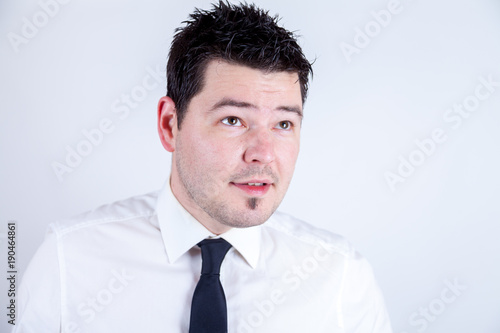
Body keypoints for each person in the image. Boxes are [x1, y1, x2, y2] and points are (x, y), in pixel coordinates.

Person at [14, 2, 392, 332]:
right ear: (169, 125)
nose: (262, 153)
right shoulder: (67, 262)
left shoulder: (342, 280)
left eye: (283, 124)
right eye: (233, 120)